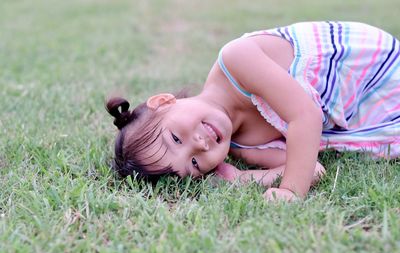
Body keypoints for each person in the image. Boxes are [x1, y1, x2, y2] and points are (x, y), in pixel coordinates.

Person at [106, 21, 400, 201]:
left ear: (163, 101)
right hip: (371, 113)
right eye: (194, 164)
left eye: (176, 139)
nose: (198, 145)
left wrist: (291, 190)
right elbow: (312, 167)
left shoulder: (237, 60)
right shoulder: (244, 147)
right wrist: (240, 178)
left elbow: (305, 116)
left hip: (372, 68)